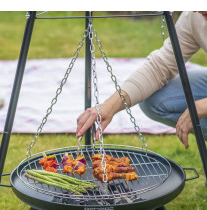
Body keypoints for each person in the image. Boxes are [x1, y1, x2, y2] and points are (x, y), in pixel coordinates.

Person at [76, 11, 207, 149]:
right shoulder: (194, 16)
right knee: (156, 100)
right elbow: (160, 66)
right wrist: (109, 106)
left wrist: (201, 107)